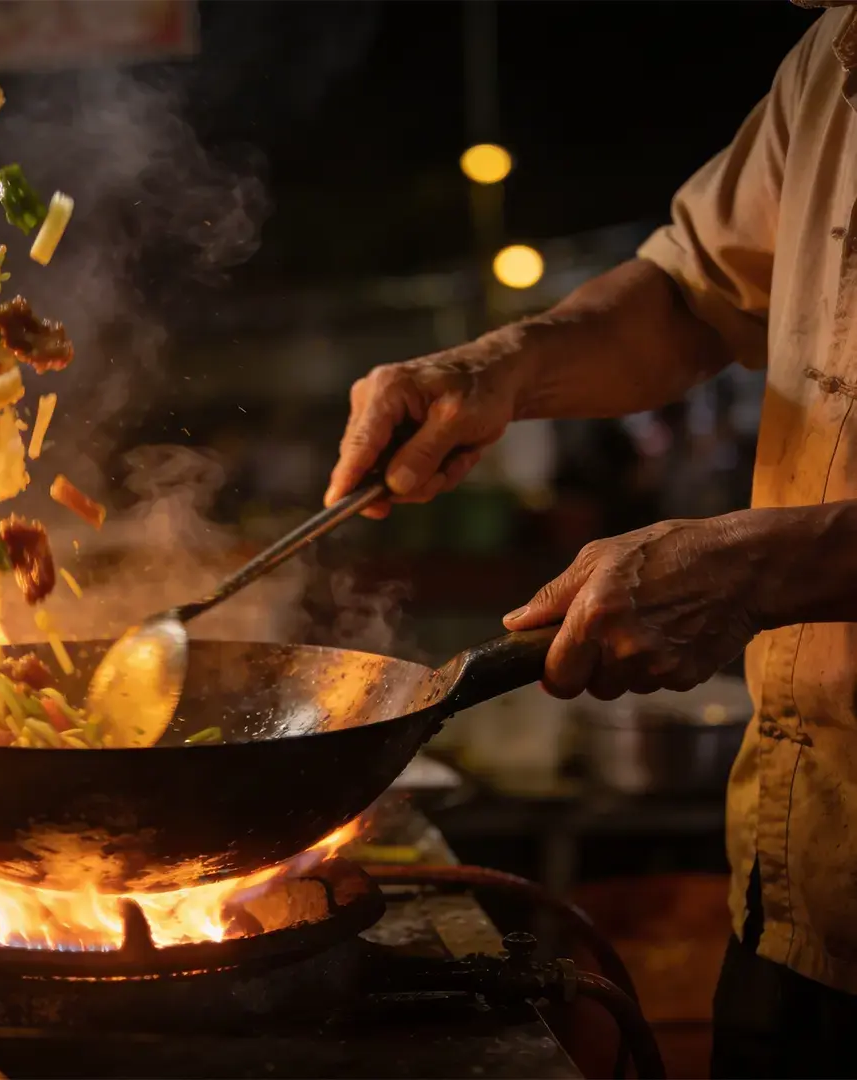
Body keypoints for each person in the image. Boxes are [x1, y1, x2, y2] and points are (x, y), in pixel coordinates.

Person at [325, 6, 857, 1077]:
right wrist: (499, 366)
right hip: (809, 886)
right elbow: (689, 294)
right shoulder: (834, 57)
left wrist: (757, 566)